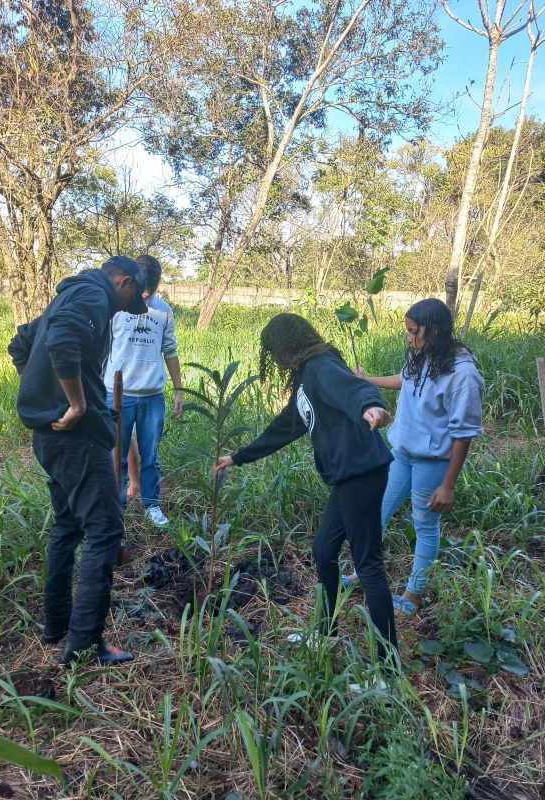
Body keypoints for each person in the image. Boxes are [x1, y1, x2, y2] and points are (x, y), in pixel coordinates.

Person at [213, 313, 398, 659]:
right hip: (346, 477)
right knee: (324, 550)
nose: (274, 359)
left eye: (272, 351)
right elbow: (284, 426)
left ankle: (389, 670)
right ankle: (326, 632)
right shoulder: (304, 380)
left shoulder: (320, 366)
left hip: (362, 473)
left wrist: (373, 407)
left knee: (369, 565)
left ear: (284, 346)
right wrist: (237, 458)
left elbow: (356, 388)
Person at [8, 255, 149, 665]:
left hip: (48, 438)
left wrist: (47, 392)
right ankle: (85, 645)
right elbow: (61, 340)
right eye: (128, 301)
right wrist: (73, 403)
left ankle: (57, 626)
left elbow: (21, 344)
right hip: (76, 439)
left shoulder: (66, 296)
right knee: (105, 529)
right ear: (122, 281)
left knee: (68, 526)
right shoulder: (92, 295)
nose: (124, 310)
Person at [343, 298, 484, 614]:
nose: (408, 337)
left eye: (412, 331)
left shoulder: (463, 375)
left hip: (432, 462)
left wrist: (448, 485)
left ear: (432, 330)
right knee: (375, 511)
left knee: (424, 524)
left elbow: (464, 433)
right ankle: (363, 571)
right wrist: (369, 381)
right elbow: (405, 381)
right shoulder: (423, 354)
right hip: (402, 454)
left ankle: (413, 595)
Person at [103, 254, 183, 527]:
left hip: (152, 397)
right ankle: (118, 509)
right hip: (116, 395)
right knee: (116, 455)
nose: (146, 294)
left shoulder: (163, 310)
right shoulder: (115, 306)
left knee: (151, 456)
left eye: (151, 289)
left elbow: (170, 350)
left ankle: (152, 505)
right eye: (142, 287)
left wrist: (178, 389)